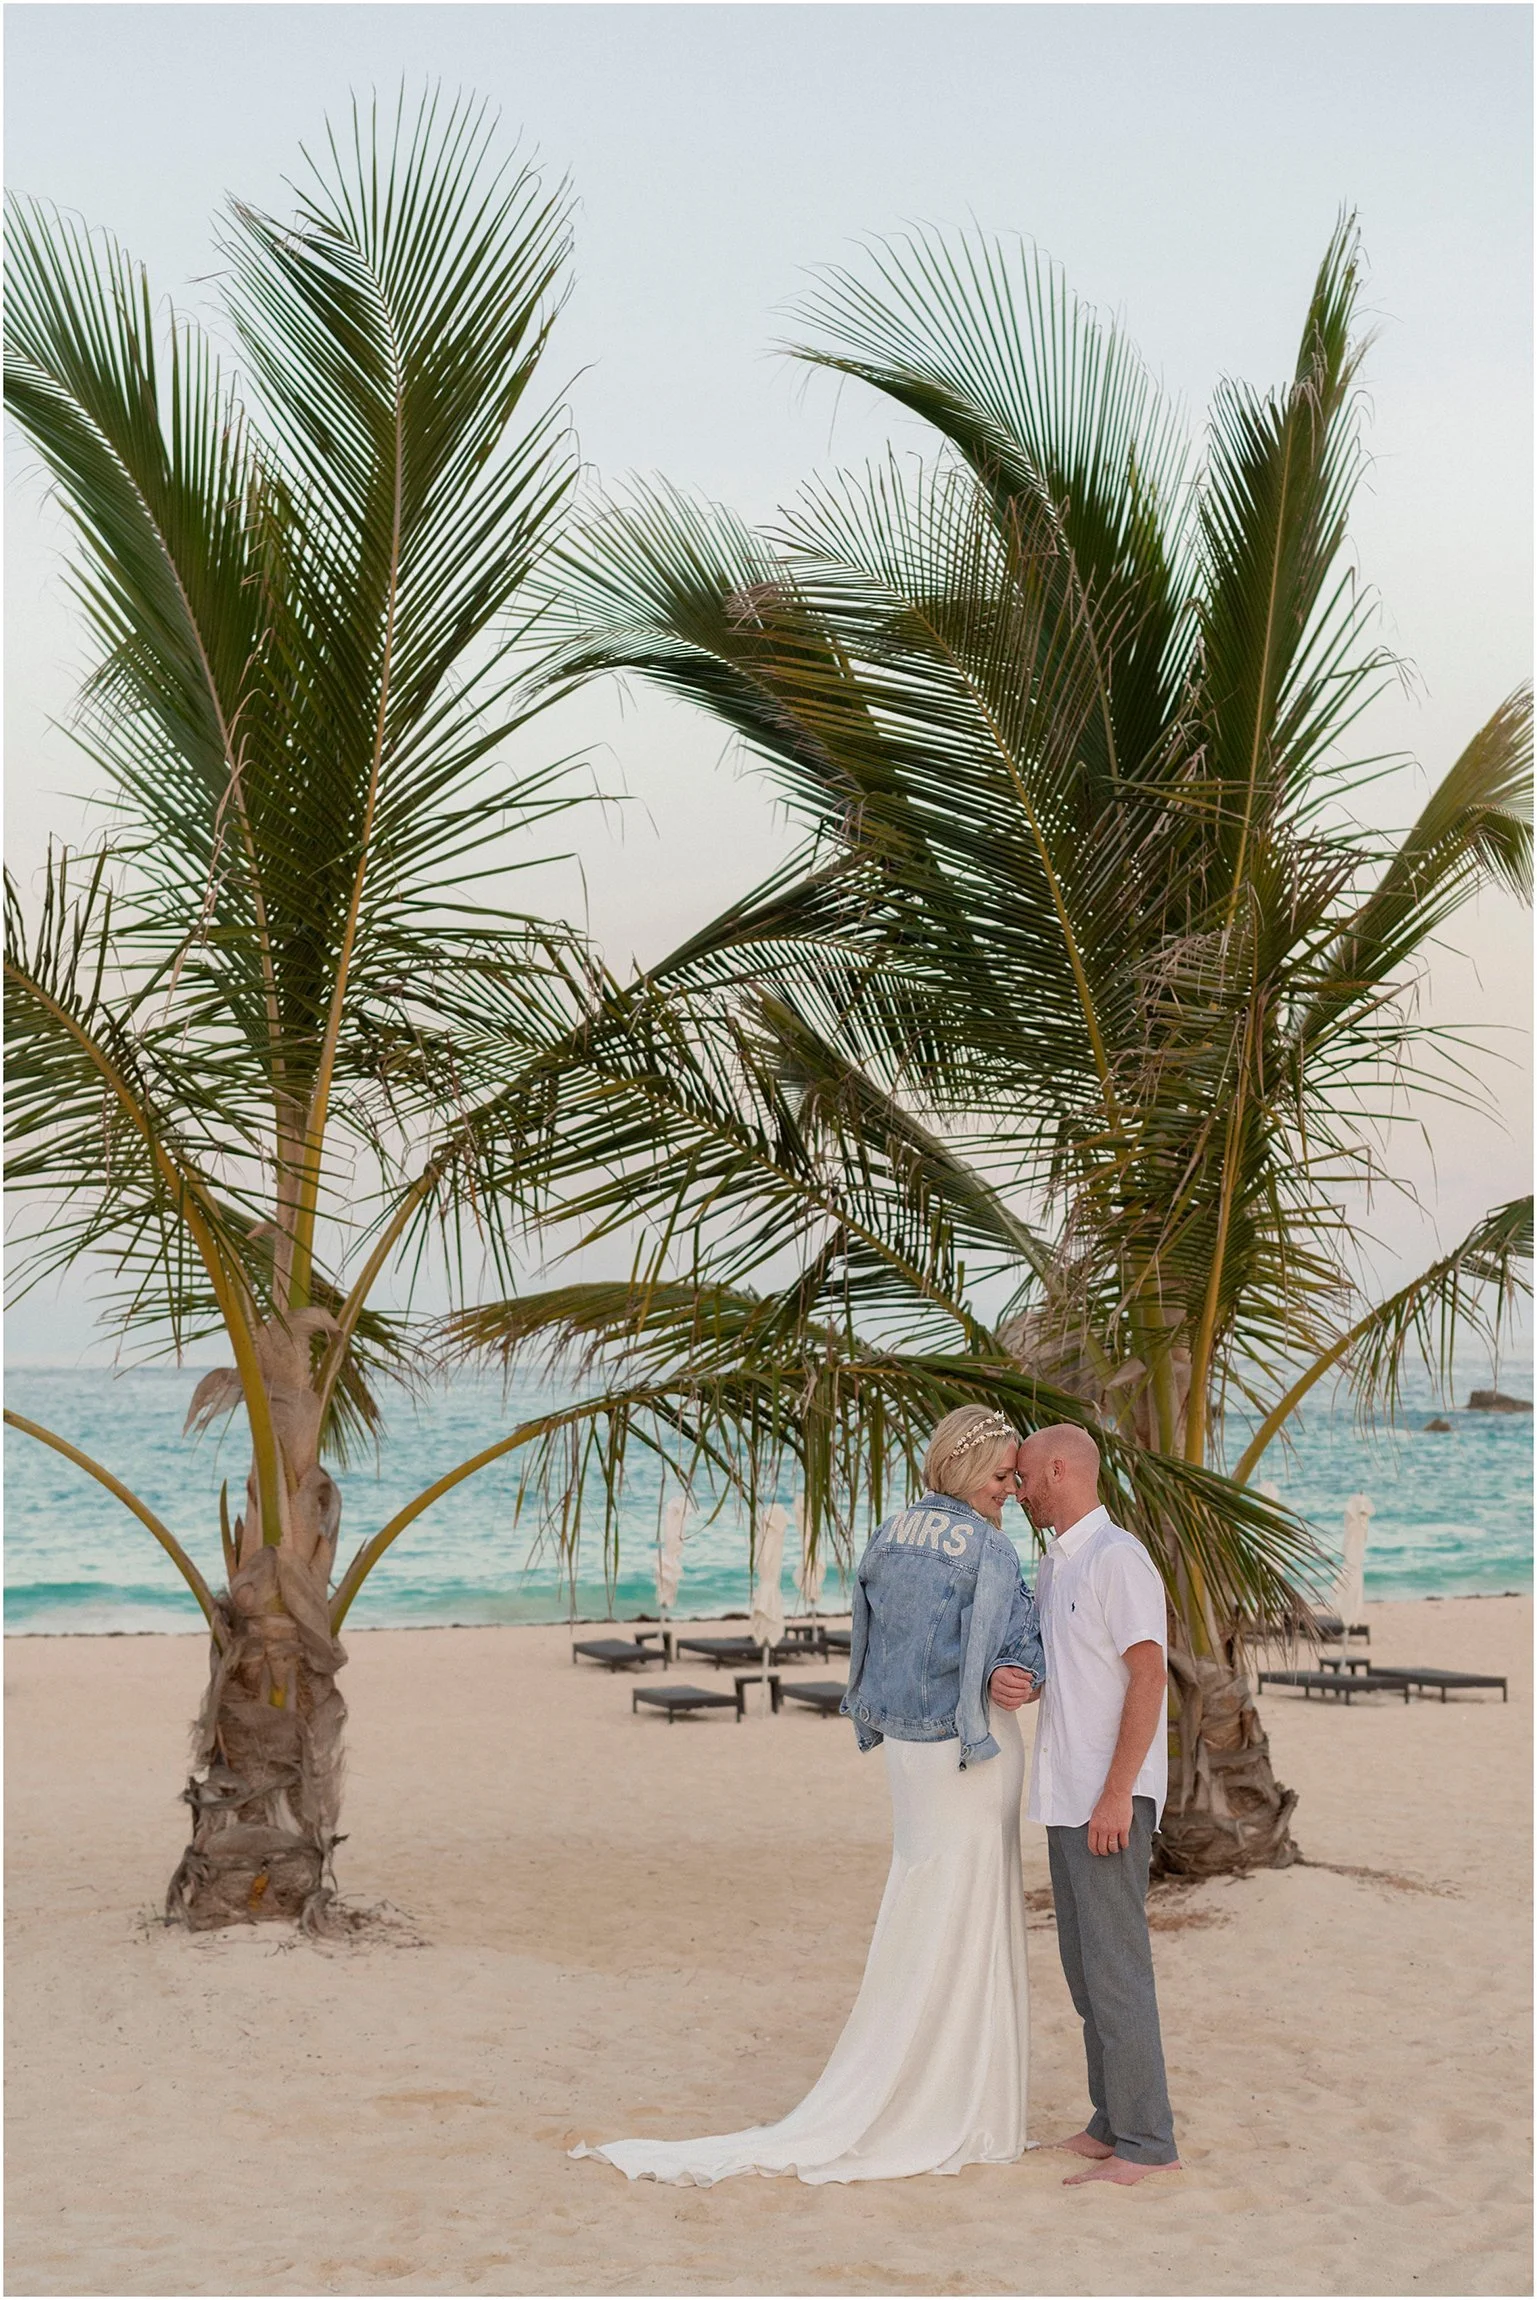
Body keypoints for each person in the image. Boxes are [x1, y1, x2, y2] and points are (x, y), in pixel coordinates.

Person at [572, 1404, 1045, 2185]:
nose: (1009, 1491)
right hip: (970, 1750)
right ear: (964, 1470)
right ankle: (957, 2102)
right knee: (968, 1909)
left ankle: (919, 2082)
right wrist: (1021, 1672)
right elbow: (1022, 1650)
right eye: (1000, 1476)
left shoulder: (887, 1536)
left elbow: (868, 1647)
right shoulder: (988, 1550)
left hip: (906, 1752)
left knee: (922, 1902)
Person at [1015, 1421, 1181, 2186]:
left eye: (1024, 1478)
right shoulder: (1055, 1568)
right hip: (1062, 1794)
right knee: (1084, 1972)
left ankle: (1147, 2143)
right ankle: (1109, 2121)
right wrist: (1015, 1683)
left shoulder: (1118, 1559)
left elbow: (1148, 1677)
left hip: (1107, 1798)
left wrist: (1117, 1794)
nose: (1018, 1492)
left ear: (1059, 1470)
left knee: (1116, 1971)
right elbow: (1067, 1677)